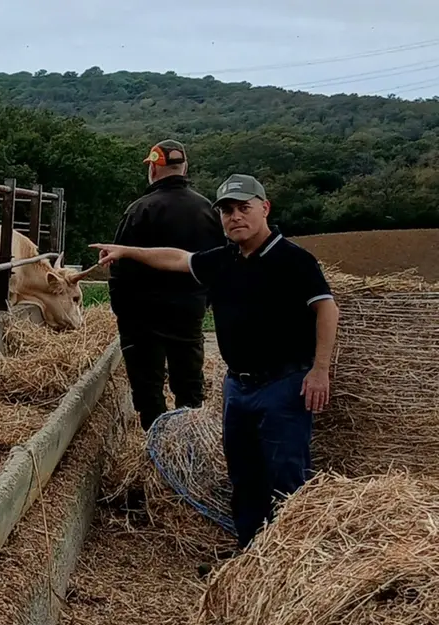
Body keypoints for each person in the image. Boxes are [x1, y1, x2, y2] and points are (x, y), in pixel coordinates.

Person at [91, 173, 339, 550]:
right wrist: (126, 251)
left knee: (286, 477)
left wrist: (320, 371)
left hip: (283, 386)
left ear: (265, 208)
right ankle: (248, 554)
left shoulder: (293, 260)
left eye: (243, 208)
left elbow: (327, 309)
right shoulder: (225, 260)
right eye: (226, 211)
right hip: (238, 387)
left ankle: (289, 557)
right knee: (243, 476)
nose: (235, 217)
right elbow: (177, 258)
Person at [108, 139, 227, 432]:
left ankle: (156, 441)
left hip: (143, 316)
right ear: (184, 167)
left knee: (148, 386)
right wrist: (204, 301)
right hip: (189, 310)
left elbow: (119, 266)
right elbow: (219, 263)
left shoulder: (140, 209)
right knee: (189, 383)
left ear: (153, 168)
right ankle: (190, 441)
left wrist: (122, 311)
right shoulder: (207, 210)